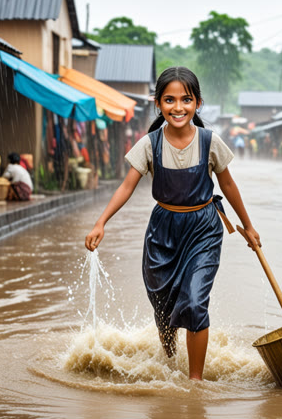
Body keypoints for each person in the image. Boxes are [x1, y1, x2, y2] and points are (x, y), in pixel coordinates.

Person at [85, 67, 260, 381]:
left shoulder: (210, 141)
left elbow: (229, 186)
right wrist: (101, 223)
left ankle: (194, 383)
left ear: (197, 103)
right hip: (162, 232)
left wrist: (248, 226)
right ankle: (168, 357)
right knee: (164, 310)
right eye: (170, 100)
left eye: (186, 100)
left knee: (194, 303)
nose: (178, 107)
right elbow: (126, 186)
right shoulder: (149, 144)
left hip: (203, 229)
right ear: (158, 103)